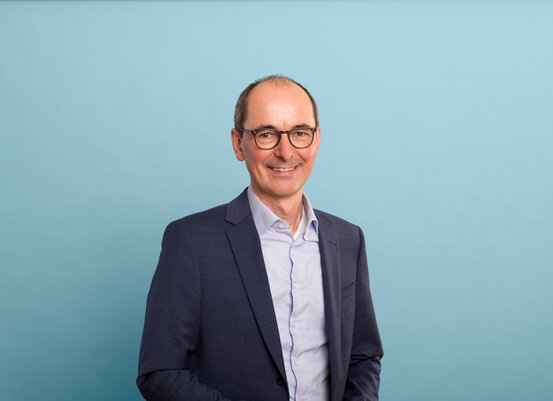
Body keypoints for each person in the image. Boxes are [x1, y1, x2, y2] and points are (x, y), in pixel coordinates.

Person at [137, 75, 383, 401]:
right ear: (238, 143)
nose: (286, 152)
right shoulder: (191, 242)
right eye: (266, 134)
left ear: (317, 140)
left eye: (299, 133)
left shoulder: (348, 239)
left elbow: (363, 356)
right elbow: (160, 372)